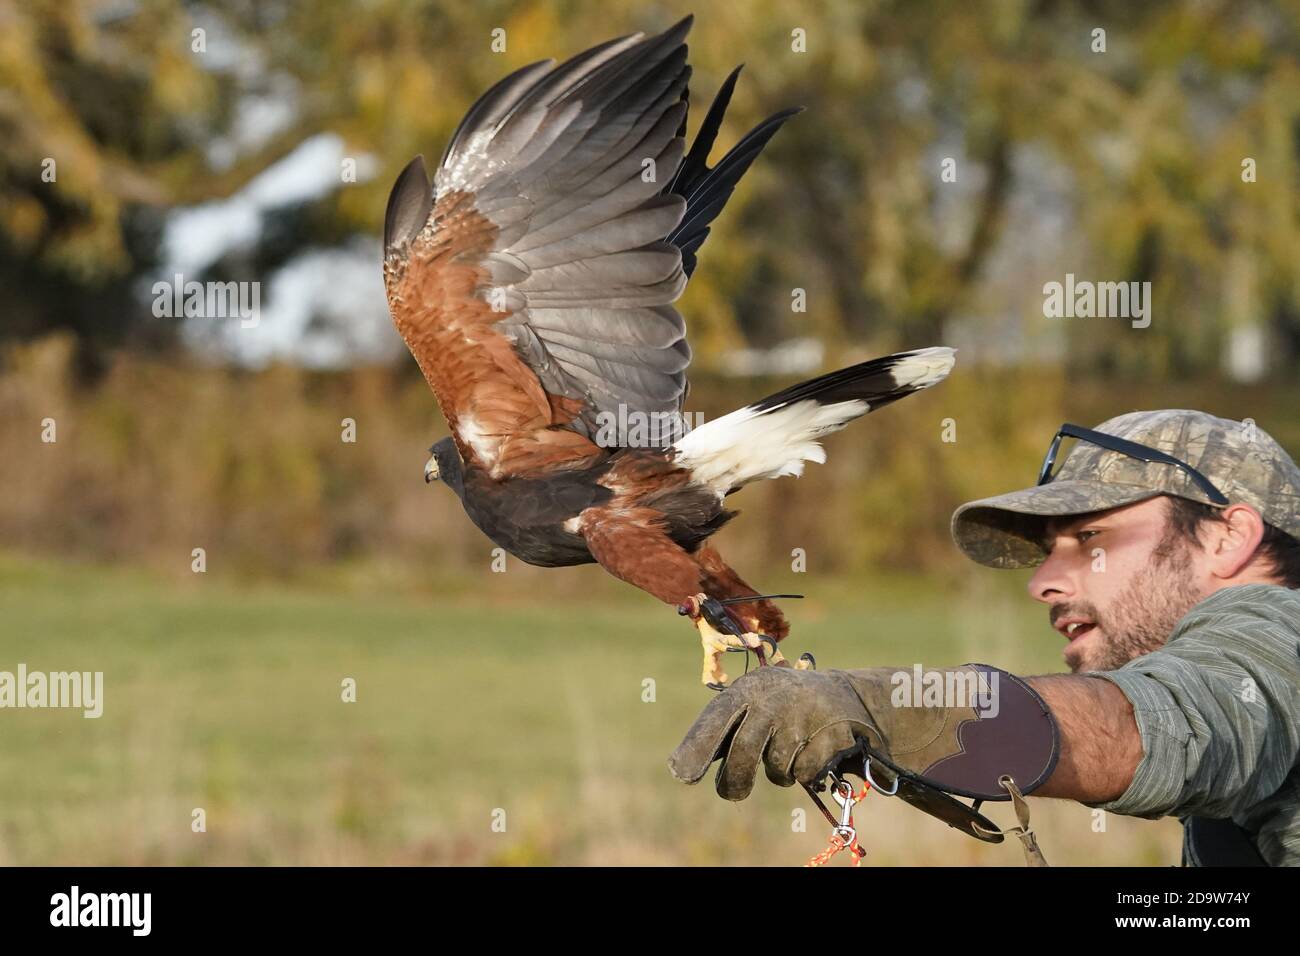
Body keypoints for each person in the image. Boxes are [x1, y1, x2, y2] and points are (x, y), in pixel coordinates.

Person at [668, 410, 1300, 865]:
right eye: (1048, 551)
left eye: (1090, 538)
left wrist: (886, 707)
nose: (1043, 583)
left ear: (1227, 537)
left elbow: (1161, 725)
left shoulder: (1279, 637)